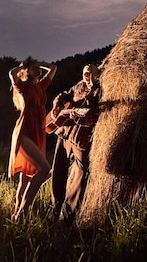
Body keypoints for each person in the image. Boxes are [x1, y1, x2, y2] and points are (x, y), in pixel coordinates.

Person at [49, 64, 101, 225]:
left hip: (81, 139)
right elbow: (64, 95)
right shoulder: (79, 86)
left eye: (90, 73)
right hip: (64, 134)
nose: (87, 76)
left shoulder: (100, 90)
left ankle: (66, 218)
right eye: (85, 73)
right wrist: (56, 106)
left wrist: (78, 117)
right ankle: (54, 209)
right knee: (58, 171)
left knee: (79, 178)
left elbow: (95, 115)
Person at [8, 57, 57, 221]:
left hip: (38, 132)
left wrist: (38, 63)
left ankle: (15, 212)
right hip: (24, 131)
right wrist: (24, 66)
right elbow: (11, 73)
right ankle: (22, 214)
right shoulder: (22, 86)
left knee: (26, 178)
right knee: (45, 170)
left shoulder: (41, 85)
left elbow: (53, 67)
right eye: (35, 69)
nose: (39, 71)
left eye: (39, 69)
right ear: (27, 72)